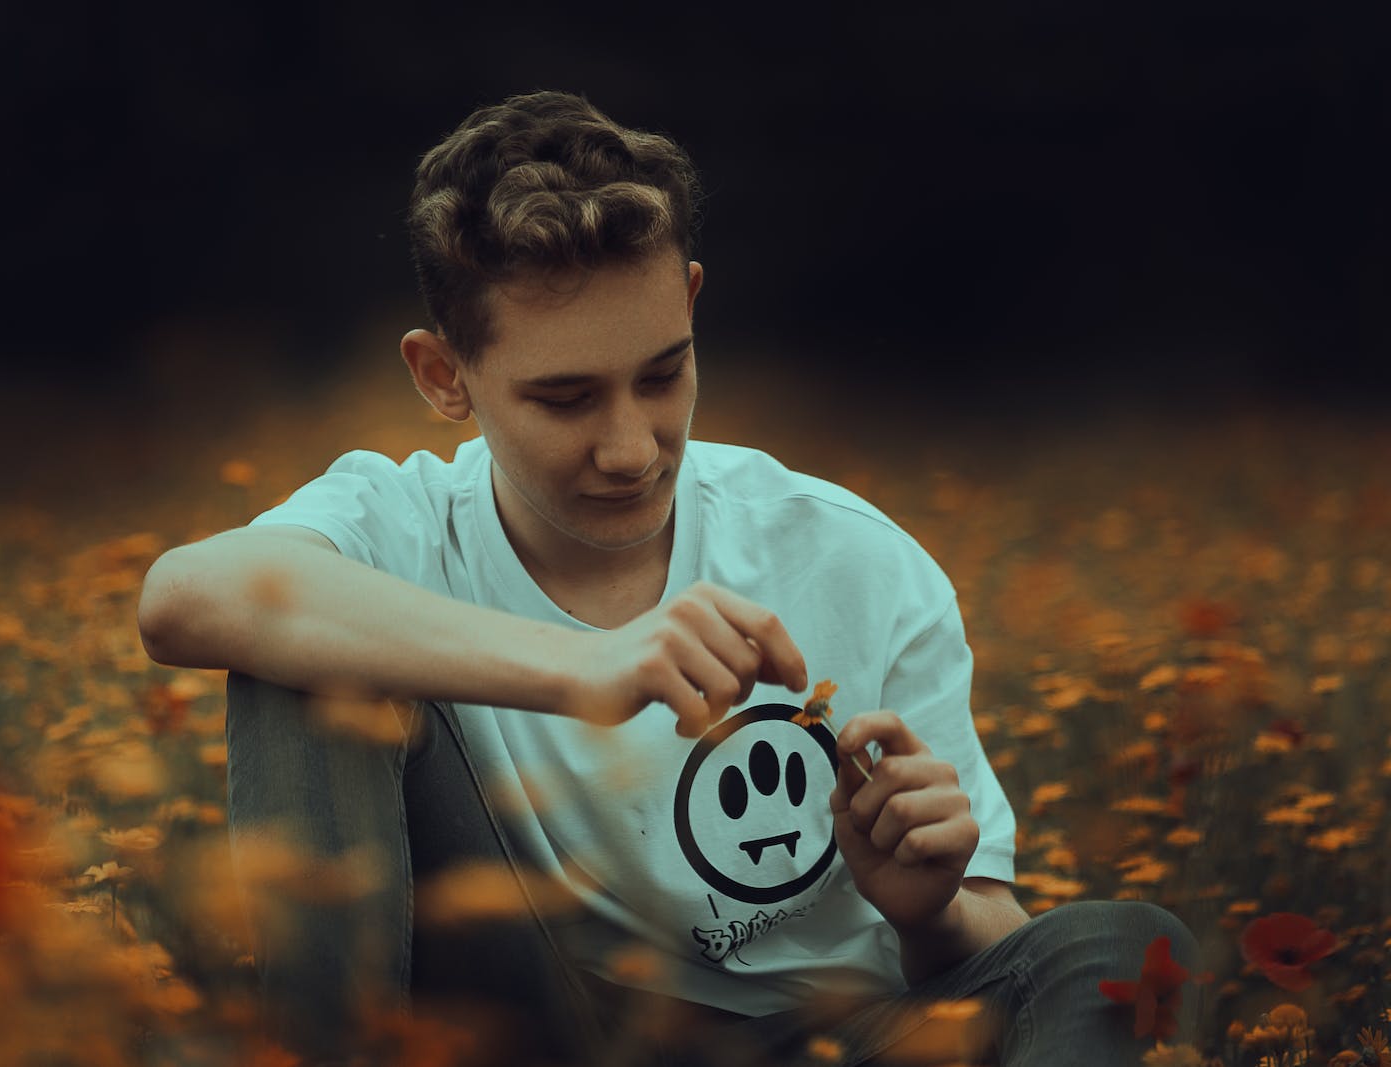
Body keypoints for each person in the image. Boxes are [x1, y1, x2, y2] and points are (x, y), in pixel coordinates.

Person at [138, 90, 1202, 1066]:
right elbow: (186, 597)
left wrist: (929, 911)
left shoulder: (847, 554)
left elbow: (1001, 955)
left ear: (691, 303)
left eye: (663, 374)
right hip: (553, 1028)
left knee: (1122, 944)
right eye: (564, 398)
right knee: (298, 660)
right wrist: (583, 664)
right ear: (442, 376)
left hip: (842, 1037)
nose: (632, 448)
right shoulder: (400, 521)